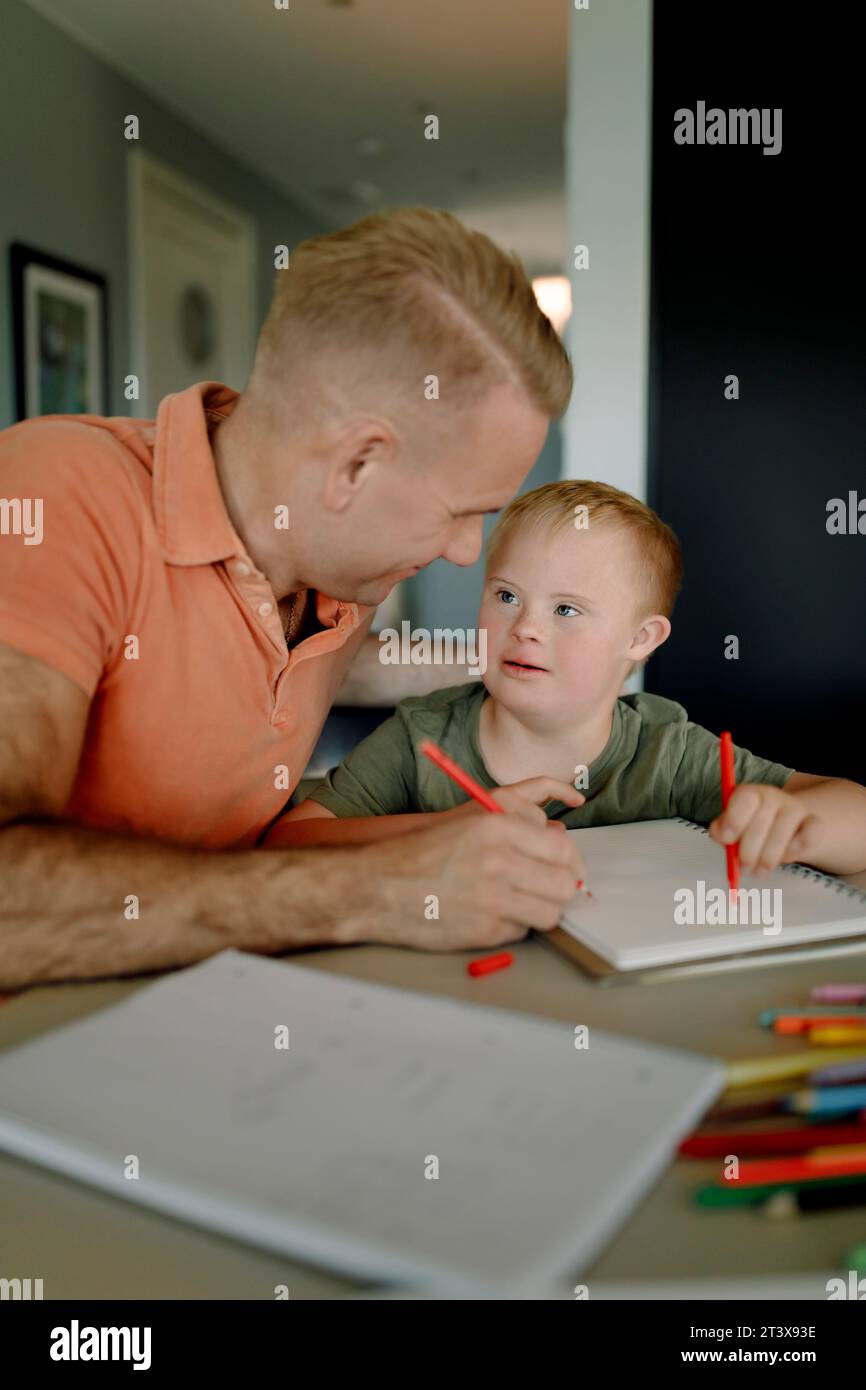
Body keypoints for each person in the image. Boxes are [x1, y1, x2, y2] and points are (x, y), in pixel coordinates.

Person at [0, 208, 584, 989]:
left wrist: (507, 659)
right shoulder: (54, 497)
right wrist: (379, 890)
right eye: (463, 512)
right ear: (355, 466)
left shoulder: (336, 570)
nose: (465, 551)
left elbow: (300, 667)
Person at [282, 480, 866, 877]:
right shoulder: (421, 740)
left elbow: (854, 815)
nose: (526, 627)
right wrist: (451, 830)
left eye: (566, 610)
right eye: (507, 595)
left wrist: (797, 826)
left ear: (640, 640)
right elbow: (290, 845)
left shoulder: (668, 752)